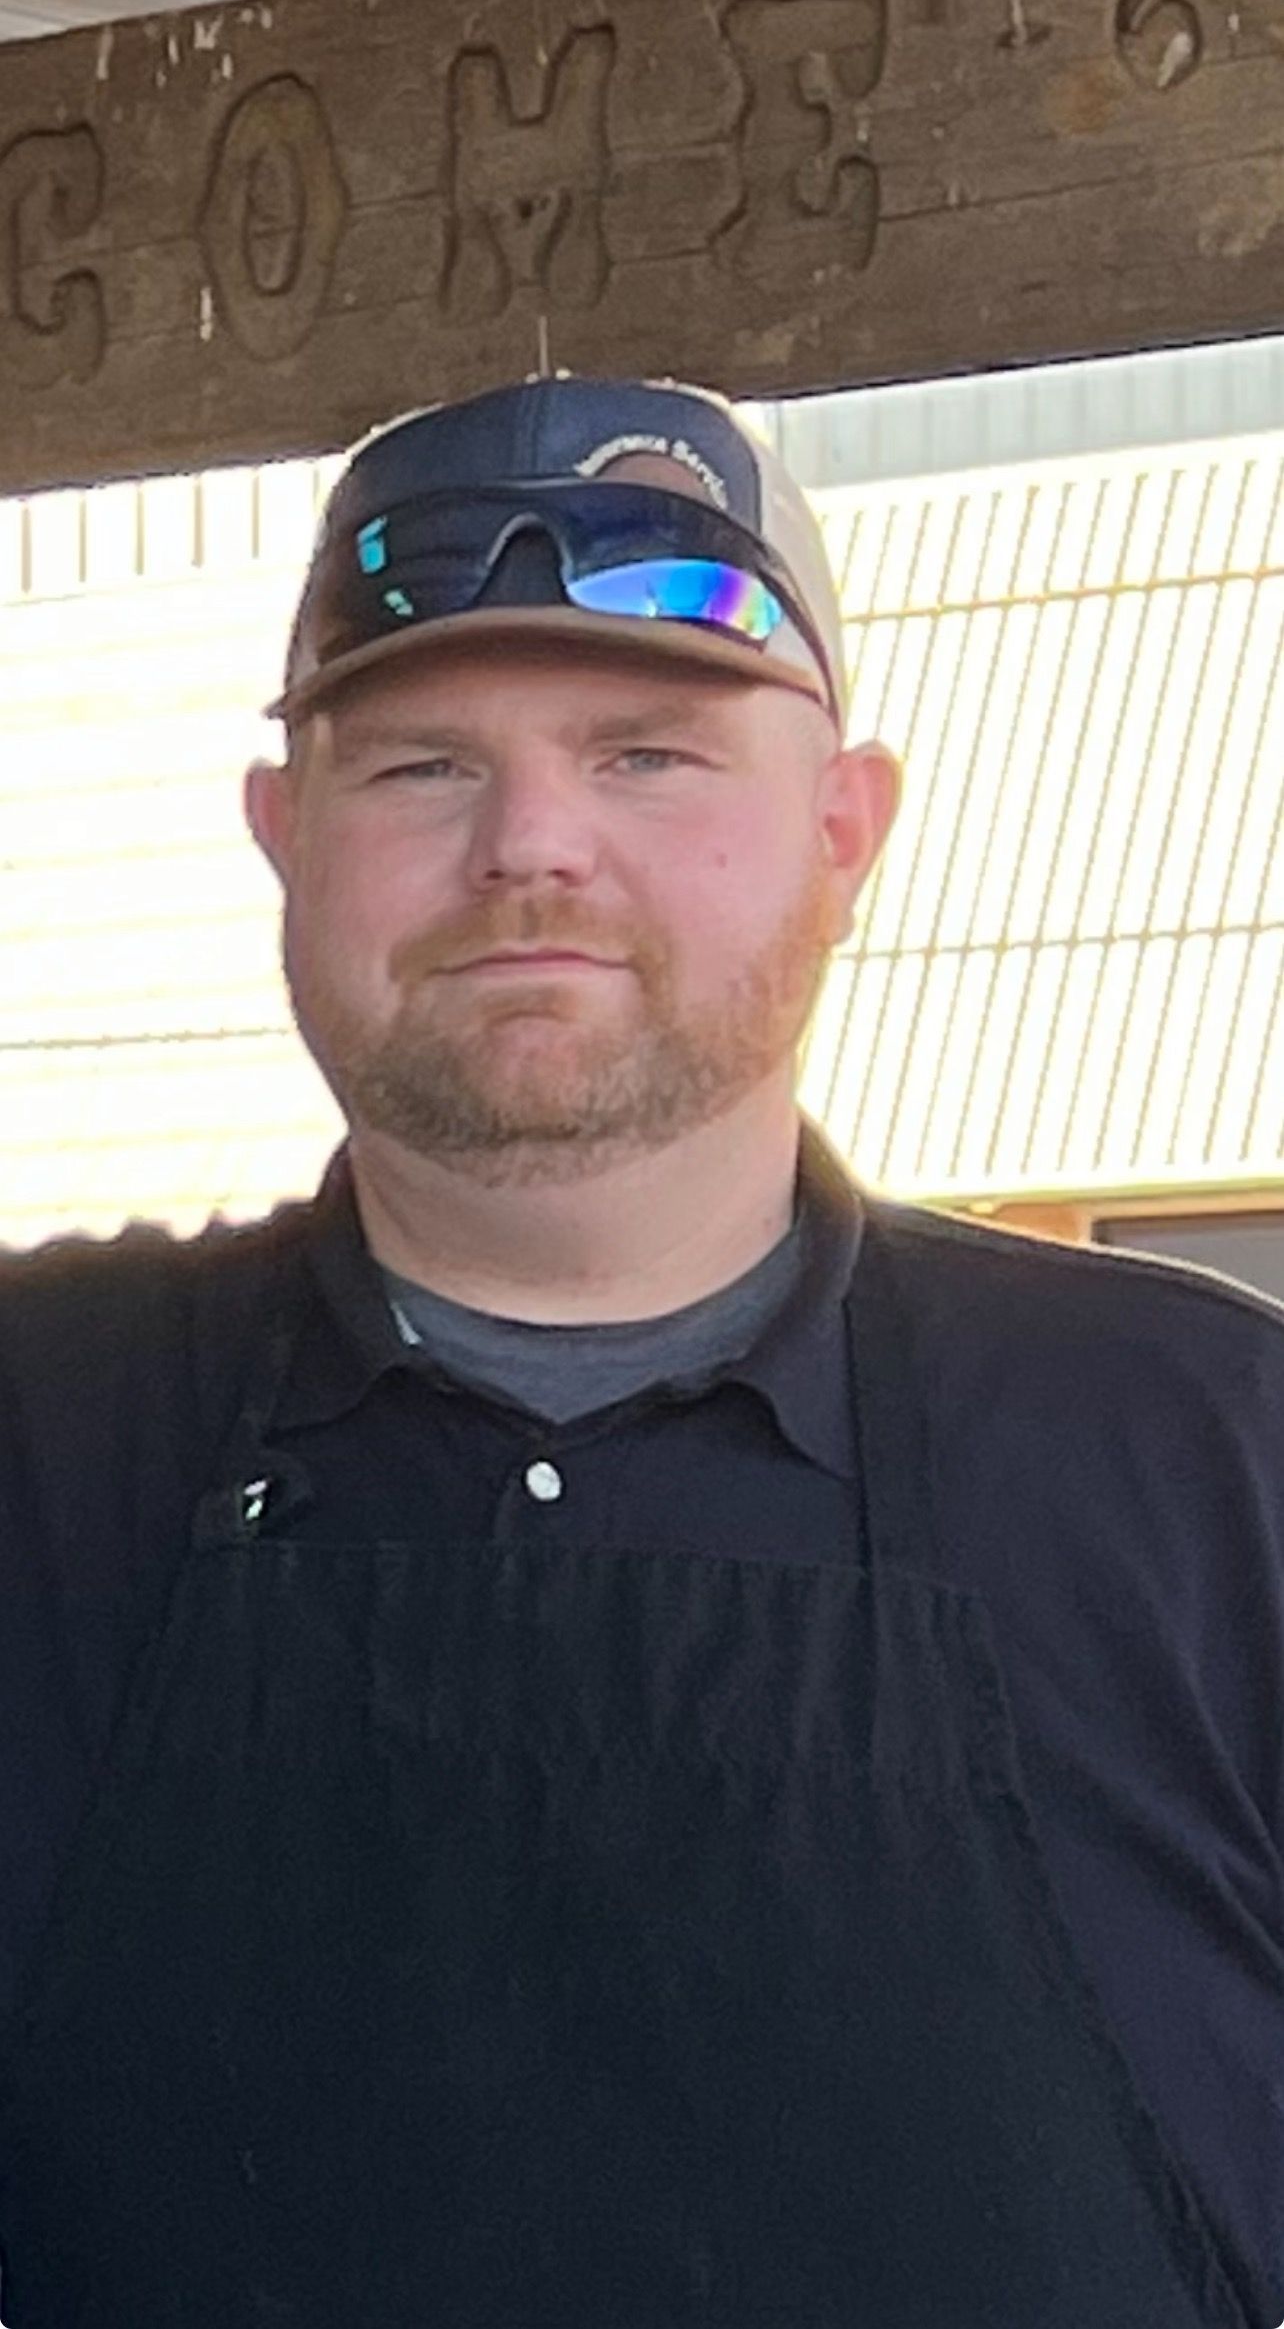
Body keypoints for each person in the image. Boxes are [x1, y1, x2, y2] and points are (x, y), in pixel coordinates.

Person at [0, 374, 1279, 2329]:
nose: (532, 847)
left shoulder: (1217, 1466)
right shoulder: (36, 1445)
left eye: (650, 756)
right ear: (283, 836)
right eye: (419, 764)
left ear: (847, 832)